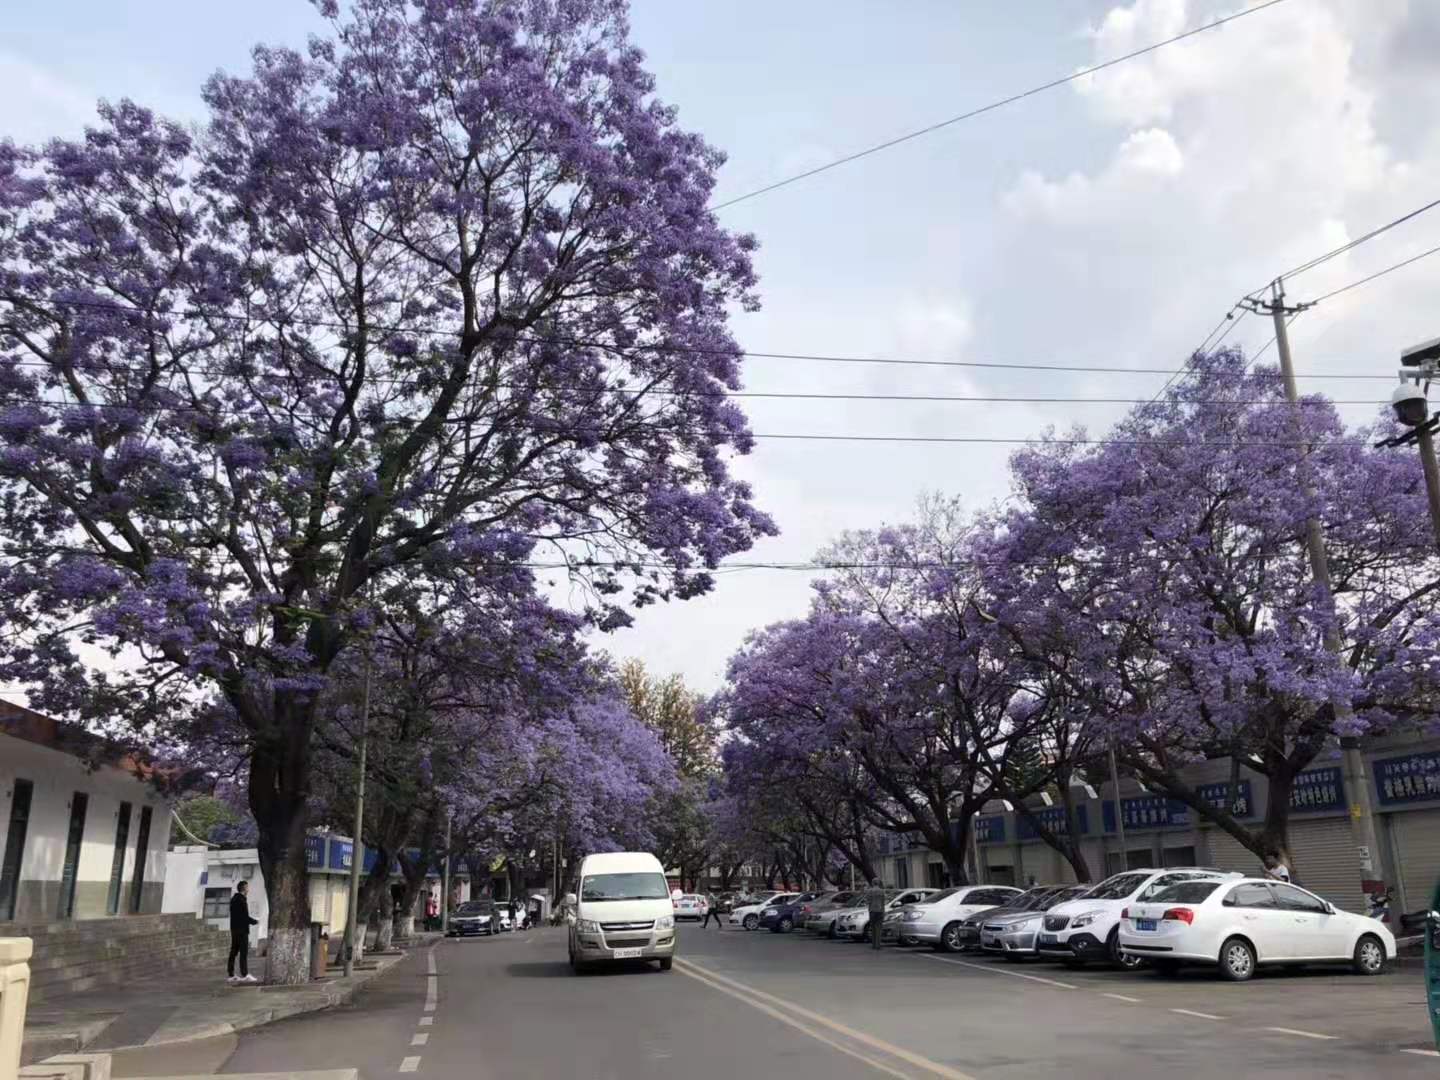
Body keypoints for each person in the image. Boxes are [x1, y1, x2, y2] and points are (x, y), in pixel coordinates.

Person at [228, 880, 259, 984]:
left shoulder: (234, 899)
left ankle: (231, 974)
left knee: (233, 951)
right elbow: (244, 916)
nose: (248, 889)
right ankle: (245, 974)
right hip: (242, 930)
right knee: (243, 953)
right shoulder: (241, 900)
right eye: (247, 887)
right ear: (244, 888)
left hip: (234, 929)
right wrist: (255, 921)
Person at [865, 877, 887, 950]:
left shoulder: (869, 891)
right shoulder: (882, 891)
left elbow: (868, 901)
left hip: (872, 911)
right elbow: (883, 902)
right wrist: (883, 911)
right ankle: (878, 944)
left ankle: (874, 944)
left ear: (872, 883)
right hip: (880, 910)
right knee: (879, 928)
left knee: (873, 928)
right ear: (878, 883)